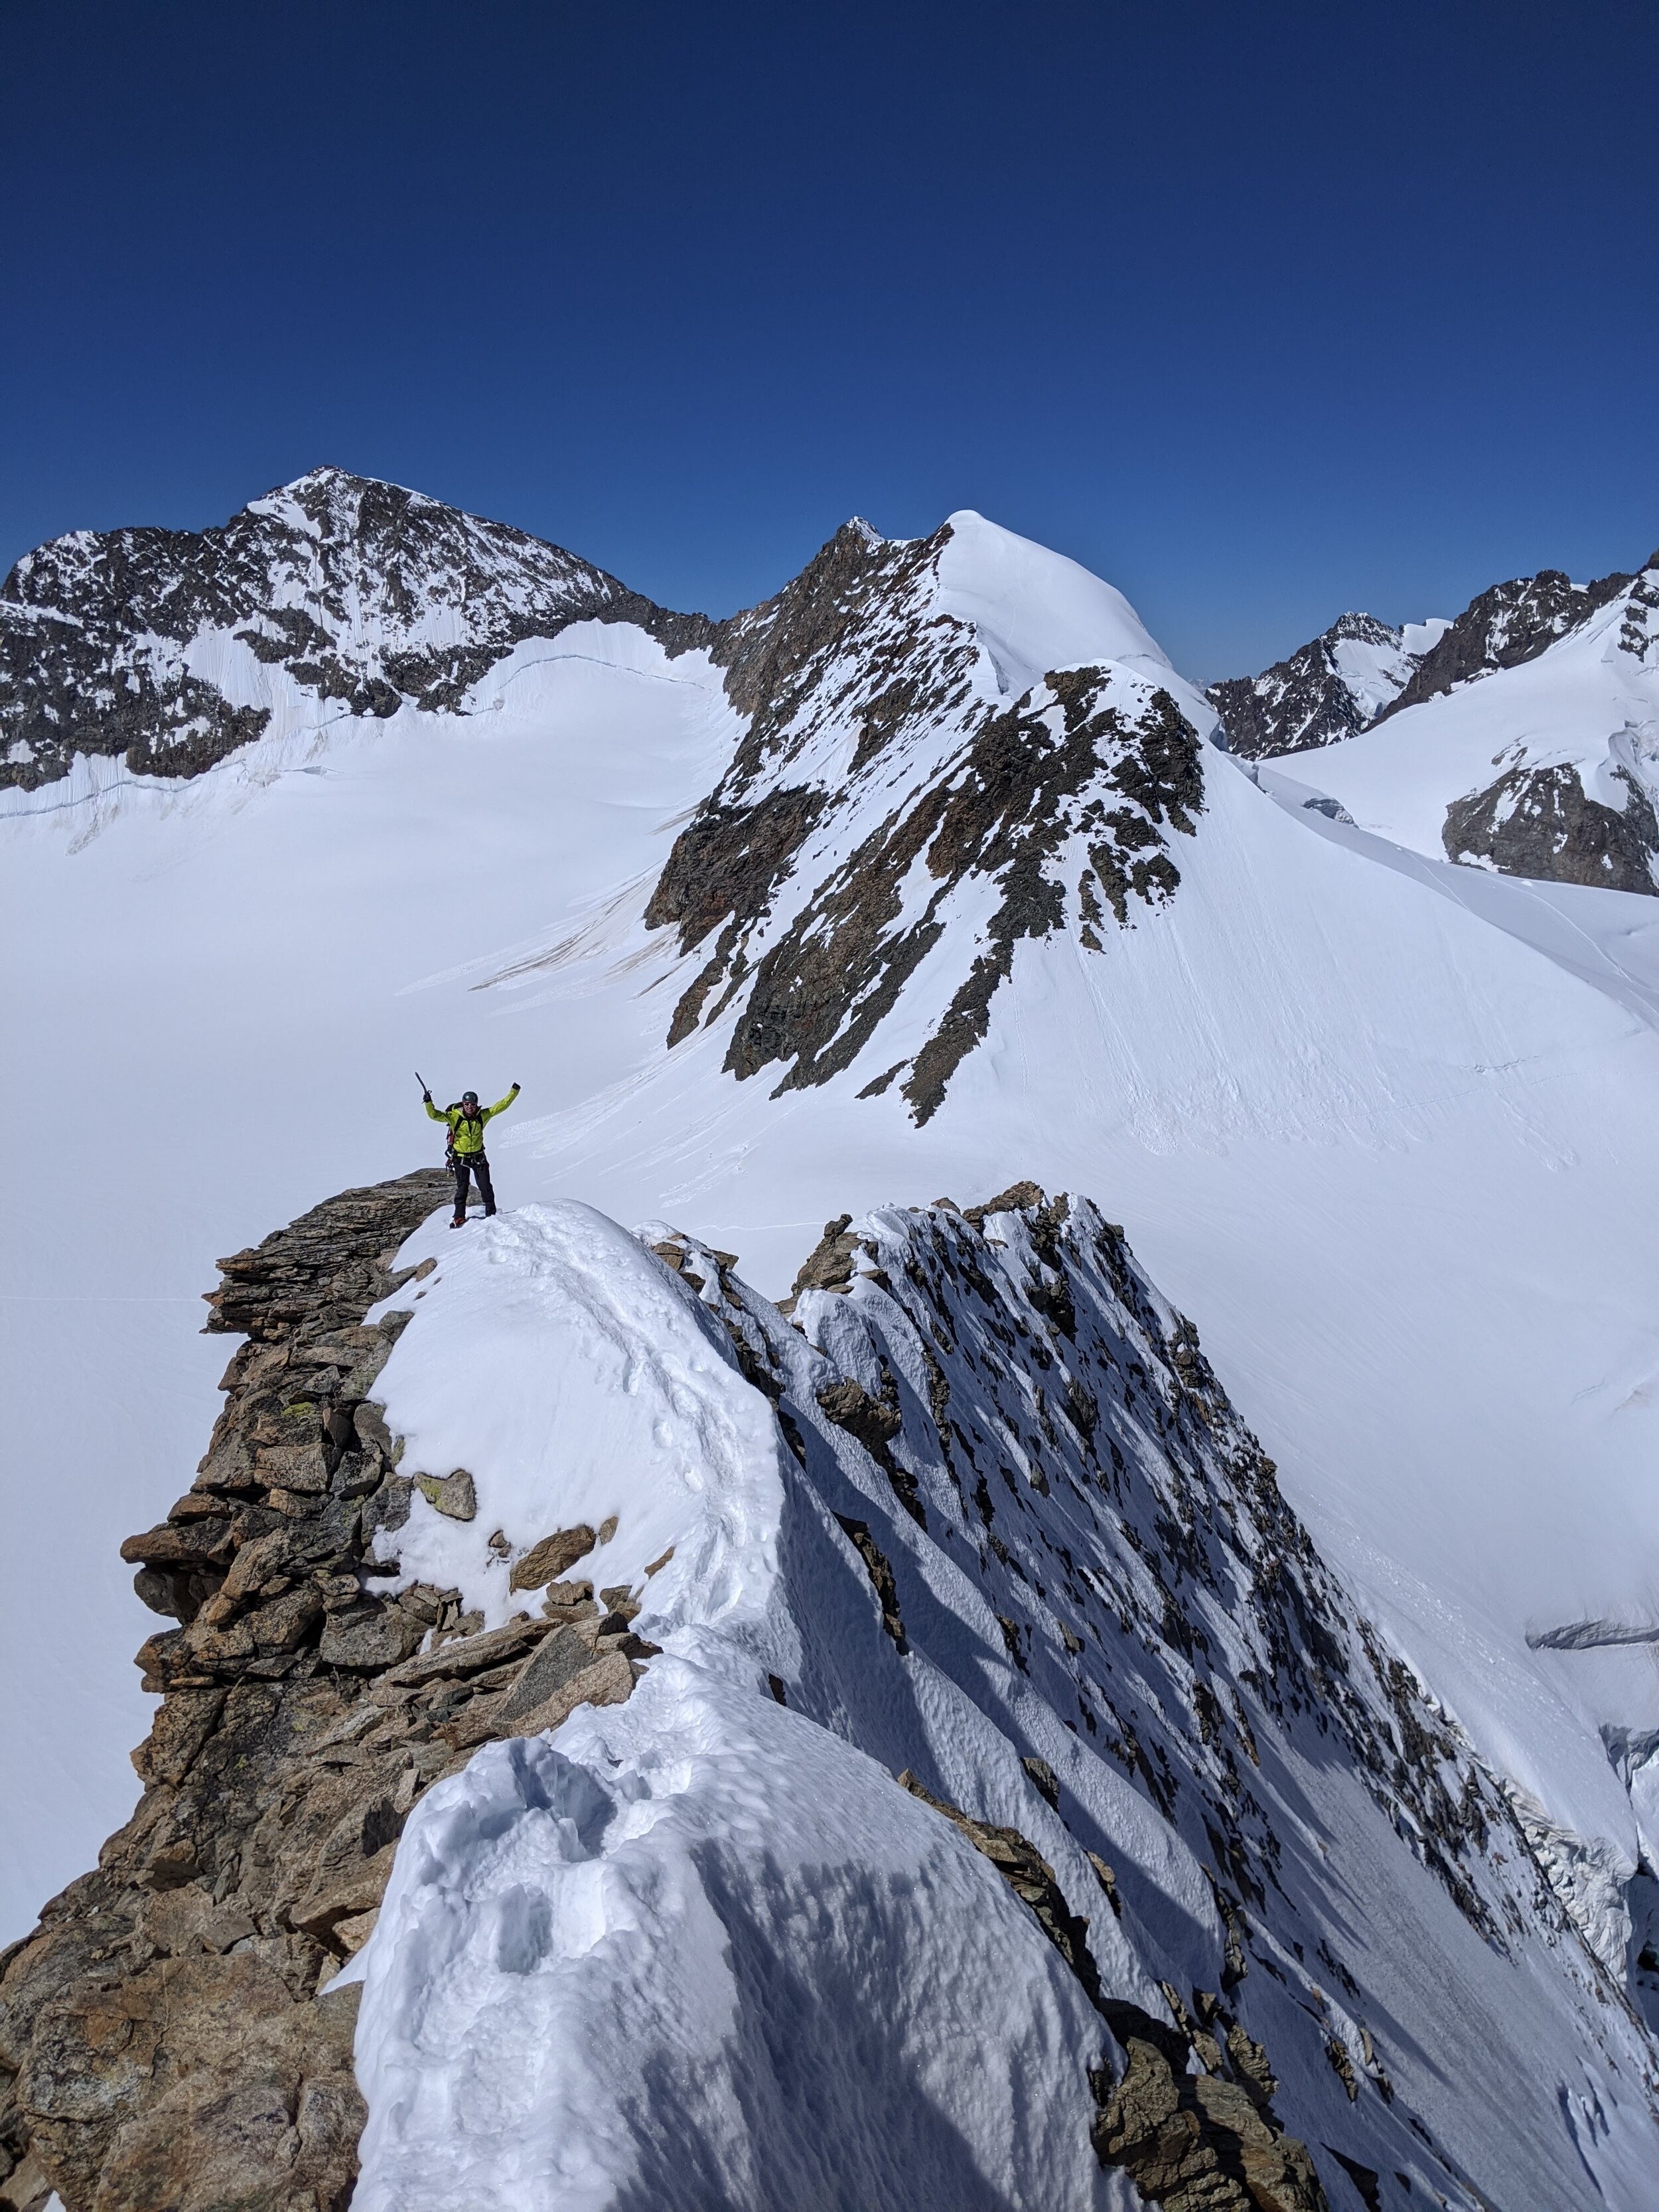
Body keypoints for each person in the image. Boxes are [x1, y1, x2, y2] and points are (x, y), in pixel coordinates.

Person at [424, 1082, 521, 1226]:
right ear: (463, 1104)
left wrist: (514, 1092)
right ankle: (459, 1217)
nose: (470, 1107)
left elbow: (501, 1106)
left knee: (485, 1186)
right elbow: (435, 1115)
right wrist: (428, 1102)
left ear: (476, 1105)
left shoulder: (482, 1116)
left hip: (478, 1156)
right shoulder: (454, 1117)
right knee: (462, 1187)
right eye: (467, 1104)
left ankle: (491, 1214)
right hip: (460, 1157)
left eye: (473, 1105)